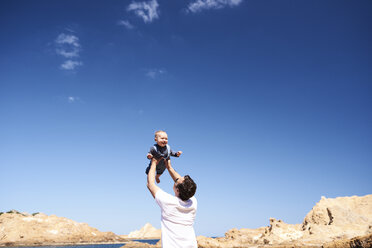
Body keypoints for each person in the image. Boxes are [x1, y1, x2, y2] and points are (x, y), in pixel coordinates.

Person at [147, 157, 198, 248]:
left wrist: (154, 162)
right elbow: (182, 183)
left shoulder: (169, 202)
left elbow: (150, 184)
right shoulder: (193, 202)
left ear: (177, 190)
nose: (177, 178)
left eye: (177, 180)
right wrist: (169, 167)